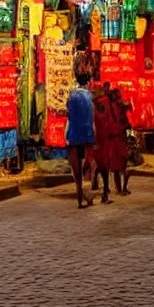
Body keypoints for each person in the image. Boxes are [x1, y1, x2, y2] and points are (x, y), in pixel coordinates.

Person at [93, 84, 130, 198]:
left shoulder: (104, 104)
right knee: (115, 165)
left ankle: (109, 188)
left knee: (112, 164)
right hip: (113, 137)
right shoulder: (109, 105)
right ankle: (115, 189)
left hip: (110, 137)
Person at [67, 71, 97, 208]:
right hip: (87, 135)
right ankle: (87, 195)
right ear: (87, 82)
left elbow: (69, 117)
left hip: (73, 135)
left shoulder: (72, 96)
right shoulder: (89, 96)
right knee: (88, 167)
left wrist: (66, 134)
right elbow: (92, 117)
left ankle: (80, 198)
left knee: (76, 170)